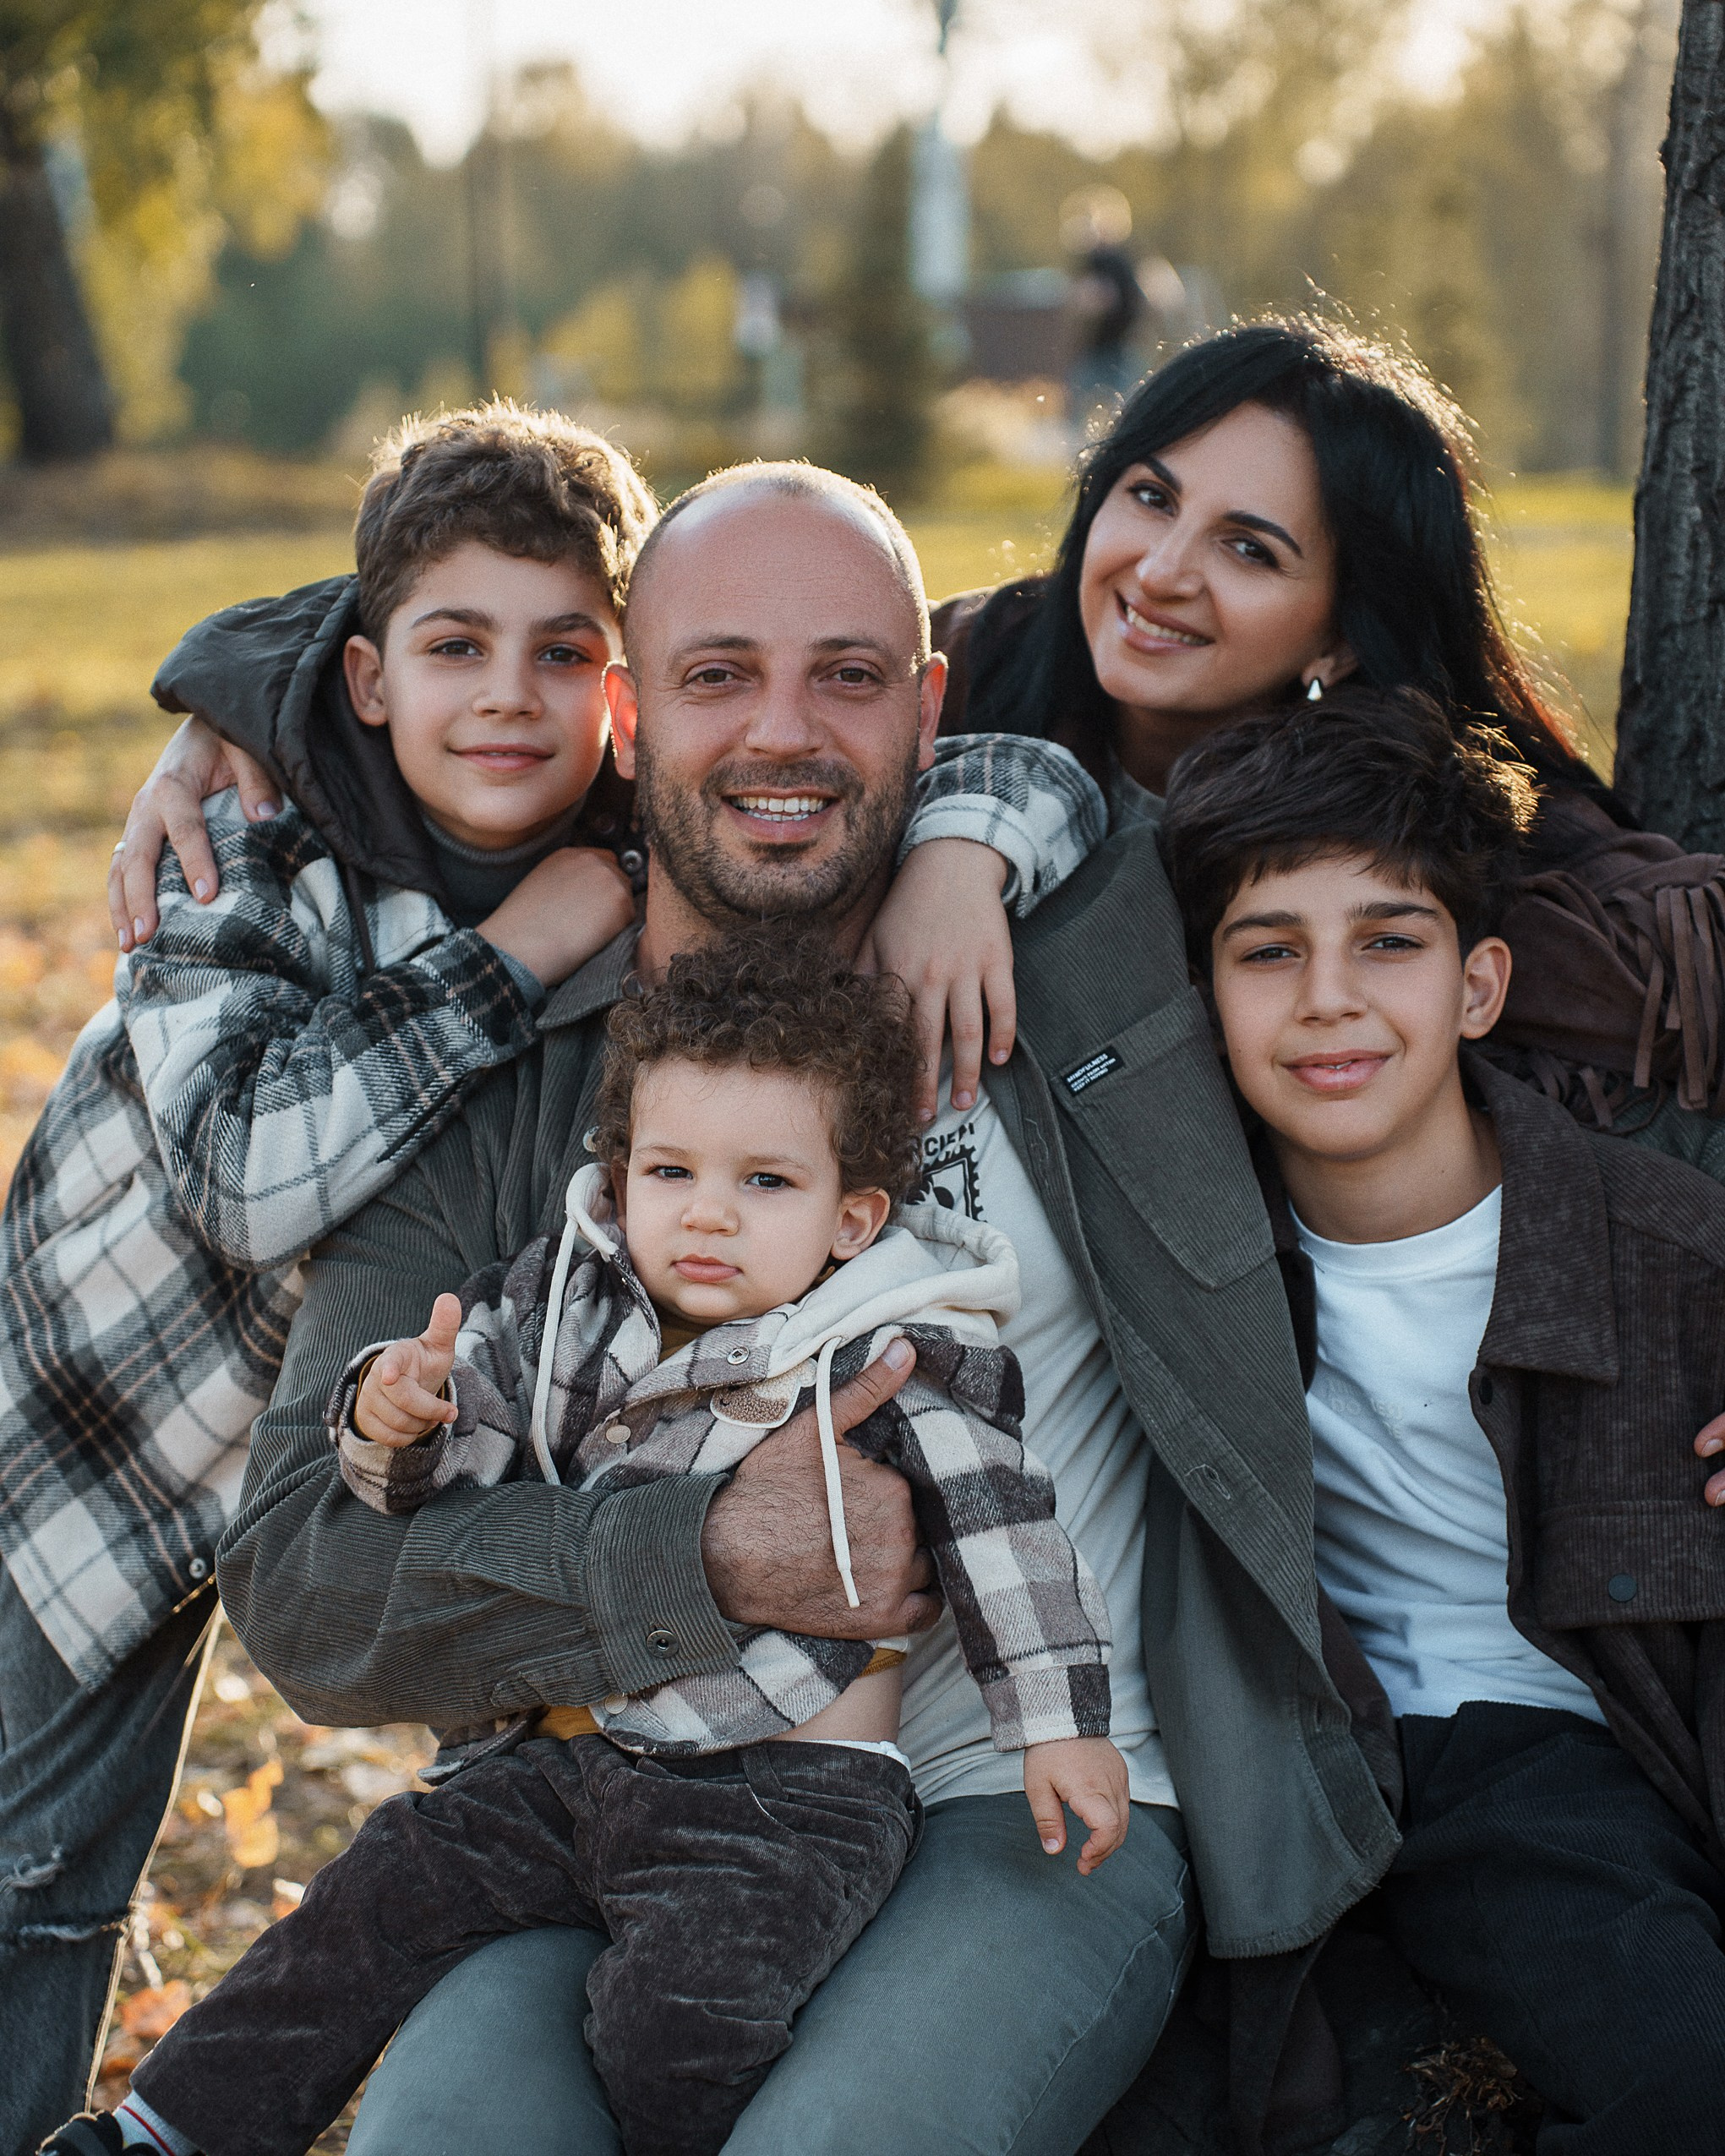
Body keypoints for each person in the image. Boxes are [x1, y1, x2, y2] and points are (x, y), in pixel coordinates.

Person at [205, 461, 1394, 2156]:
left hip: (1033, 1803)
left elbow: (1417, 800)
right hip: (600, 1807)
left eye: (846, 676)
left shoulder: (1078, 946)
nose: (784, 731)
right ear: (622, 713)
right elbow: (311, 1584)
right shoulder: (514, 1087)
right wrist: (695, 1557)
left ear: (927, 712)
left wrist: (981, 838)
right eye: (715, 675)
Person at [0, 411, 1096, 2150]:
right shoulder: (294, 874)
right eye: (450, 653)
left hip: (402, 1470)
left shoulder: (746, 833)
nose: (508, 696)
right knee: (33, 1861)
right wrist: (245, 719)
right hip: (80, 1441)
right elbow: (249, 1203)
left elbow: (896, 690)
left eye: (560, 655)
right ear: (364, 680)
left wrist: (963, 837)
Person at [46, 927, 1126, 2156]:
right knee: (366, 1901)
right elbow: (457, 1467)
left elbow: (1002, 1523)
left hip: (778, 1790)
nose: (707, 1212)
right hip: (556, 1766)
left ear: (851, 1214)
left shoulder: (879, 1346)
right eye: (671, 1171)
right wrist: (393, 1417)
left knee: (675, 2018)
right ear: (620, 1179)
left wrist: (1059, 1719)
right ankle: (164, 2126)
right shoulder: (555, 1304)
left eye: (766, 1182)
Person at [1160, 685, 1725, 2154]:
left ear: (1478, 987)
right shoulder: (1179, 1263)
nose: (1328, 998)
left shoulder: (1667, 1250)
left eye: (1386, 943)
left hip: (1615, 1721)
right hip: (1387, 1744)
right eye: (1267, 952)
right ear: (1202, 995)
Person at [931, 315, 1725, 1193]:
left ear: (1341, 638)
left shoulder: (1406, 798)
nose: (1160, 572)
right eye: (1152, 497)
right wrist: (947, 854)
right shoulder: (971, 659)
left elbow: (1663, 944)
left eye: (1248, 549)